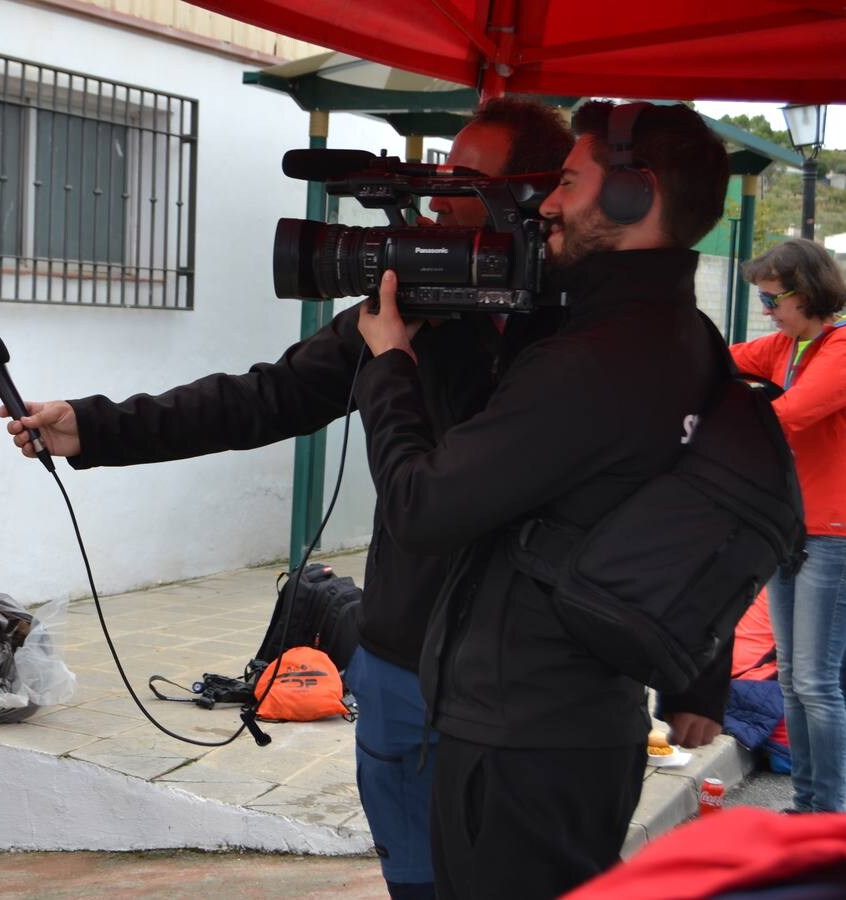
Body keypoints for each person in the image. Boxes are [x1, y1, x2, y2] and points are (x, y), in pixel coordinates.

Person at [3, 98, 571, 900]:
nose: (439, 201)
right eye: (439, 180)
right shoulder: (406, 311)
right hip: (401, 660)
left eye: (465, 183)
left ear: (535, 196)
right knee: (416, 880)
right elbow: (262, 399)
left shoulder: (582, 335)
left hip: (521, 680)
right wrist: (95, 429)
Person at [351, 100, 732, 899]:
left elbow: (424, 508)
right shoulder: (680, 334)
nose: (548, 205)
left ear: (634, 195)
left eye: (567, 182)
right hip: (563, 719)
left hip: (526, 734)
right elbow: (703, 516)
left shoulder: (596, 355)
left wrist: (389, 364)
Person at [730, 238, 846, 813]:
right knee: (797, 684)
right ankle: (807, 804)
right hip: (793, 531)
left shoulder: (841, 347)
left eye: (772, 299)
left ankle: (826, 812)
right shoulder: (787, 346)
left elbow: (790, 416)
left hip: (833, 535)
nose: (766, 310)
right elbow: (721, 358)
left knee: (817, 686)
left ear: (808, 293)